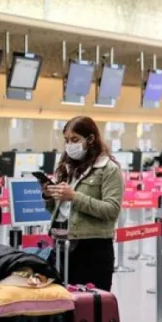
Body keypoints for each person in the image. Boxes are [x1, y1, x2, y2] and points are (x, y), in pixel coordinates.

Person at [43, 116, 124, 290]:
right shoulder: (66, 168)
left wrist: (74, 197)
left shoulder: (108, 169)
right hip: (62, 245)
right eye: (66, 140)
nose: (70, 145)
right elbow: (59, 210)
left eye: (75, 140)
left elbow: (112, 210)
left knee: (90, 309)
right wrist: (50, 196)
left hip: (93, 248)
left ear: (90, 139)